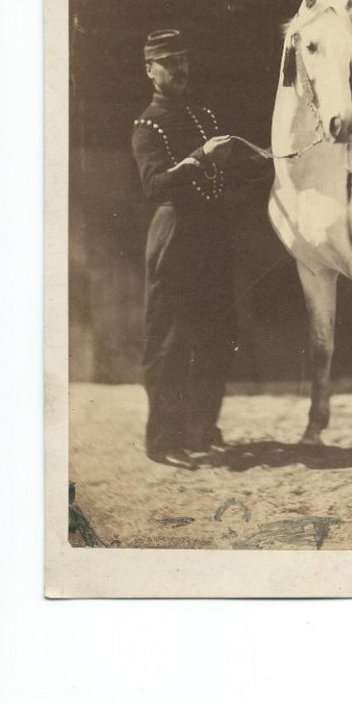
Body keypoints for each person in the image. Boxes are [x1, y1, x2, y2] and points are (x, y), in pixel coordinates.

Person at [131, 28, 238, 469]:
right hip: (176, 237)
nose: (179, 69)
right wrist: (200, 158)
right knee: (170, 342)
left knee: (216, 338)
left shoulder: (203, 114)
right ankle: (163, 442)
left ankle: (201, 431)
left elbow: (226, 170)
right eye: (169, 62)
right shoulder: (147, 124)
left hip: (211, 236)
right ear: (150, 70)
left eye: (183, 60)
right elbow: (154, 185)